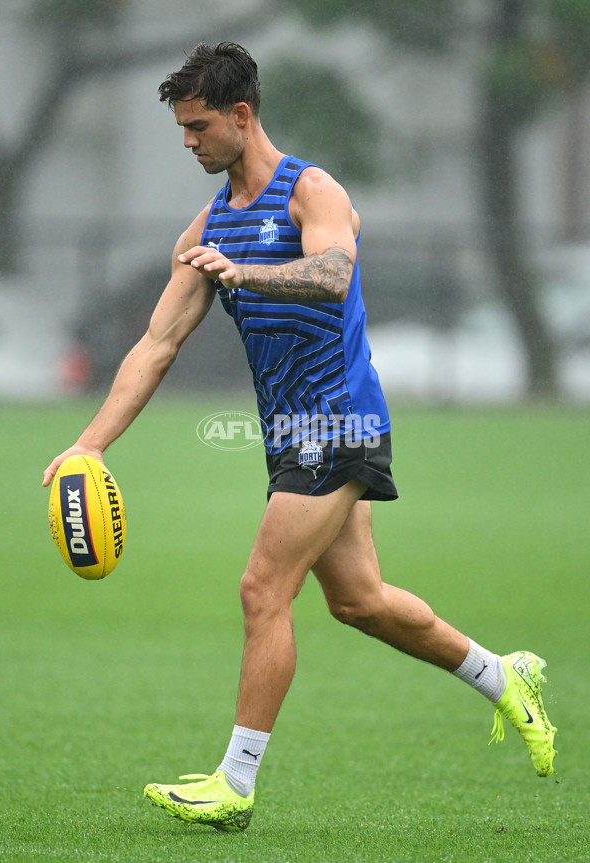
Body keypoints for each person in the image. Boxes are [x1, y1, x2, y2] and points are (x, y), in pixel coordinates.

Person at [43, 42, 557, 833]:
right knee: (359, 601)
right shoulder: (214, 220)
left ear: (242, 116)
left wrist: (245, 273)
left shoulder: (310, 191)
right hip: (291, 433)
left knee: (262, 589)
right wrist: (91, 445)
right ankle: (504, 675)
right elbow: (156, 343)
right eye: (182, 129)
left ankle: (235, 782)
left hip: (339, 420)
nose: (189, 143)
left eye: (199, 126)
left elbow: (335, 273)